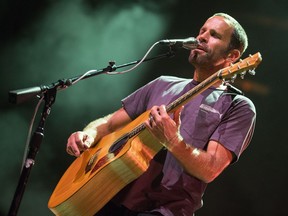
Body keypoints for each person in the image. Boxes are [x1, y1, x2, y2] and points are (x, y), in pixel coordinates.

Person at [66, 12, 255, 216]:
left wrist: (172, 139)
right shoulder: (163, 83)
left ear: (233, 56)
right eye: (202, 31)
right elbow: (109, 124)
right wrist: (89, 134)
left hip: (164, 211)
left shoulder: (237, 106)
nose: (201, 37)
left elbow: (209, 169)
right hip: (106, 197)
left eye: (214, 35)